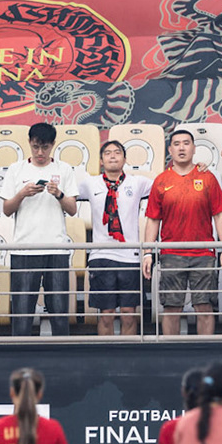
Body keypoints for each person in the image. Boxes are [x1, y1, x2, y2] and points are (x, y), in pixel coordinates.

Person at [142, 128, 222, 336]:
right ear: (170, 150)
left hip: (204, 254)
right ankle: (171, 355)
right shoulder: (161, 181)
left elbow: (219, 215)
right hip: (171, 254)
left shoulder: (207, 178)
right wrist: (147, 252)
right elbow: (153, 219)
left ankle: (205, 354)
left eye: (186, 143)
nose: (181, 147)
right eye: (176, 144)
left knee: (205, 307)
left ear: (193, 148)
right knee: (171, 308)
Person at [2, 122, 79, 337]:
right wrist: (22, 194)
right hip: (24, 248)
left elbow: (73, 209)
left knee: (59, 310)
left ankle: (61, 358)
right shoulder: (16, 169)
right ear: (29, 143)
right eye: (36, 147)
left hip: (57, 247)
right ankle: (20, 359)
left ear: (53, 145)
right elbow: (7, 210)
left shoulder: (64, 169)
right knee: (22, 312)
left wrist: (59, 194)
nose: (40, 153)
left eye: (45, 147)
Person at [76, 139, 150, 336]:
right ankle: (105, 357)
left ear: (125, 158)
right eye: (108, 153)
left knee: (129, 313)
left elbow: (165, 185)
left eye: (117, 152)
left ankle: (130, 359)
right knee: (106, 313)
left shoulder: (138, 182)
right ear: (101, 160)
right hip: (101, 256)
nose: (113, 156)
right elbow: (66, 191)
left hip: (130, 256)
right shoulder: (89, 184)